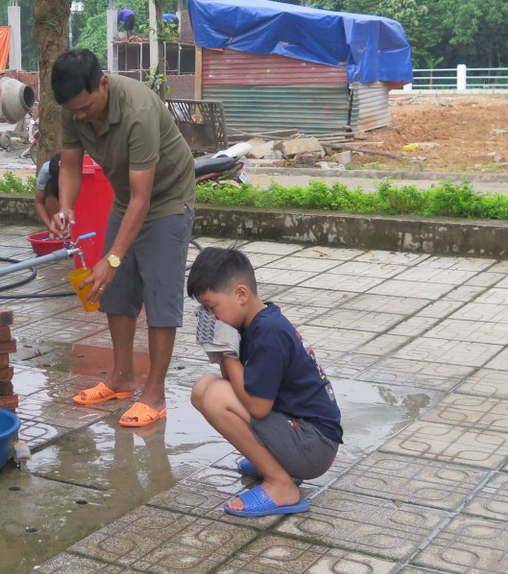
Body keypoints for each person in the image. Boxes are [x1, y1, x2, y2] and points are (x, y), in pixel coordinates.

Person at [50, 48, 195, 427]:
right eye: (74, 111)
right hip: (125, 200)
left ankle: (155, 392)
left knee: (160, 293)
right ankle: (121, 377)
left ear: (102, 82)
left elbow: (143, 198)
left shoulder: (138, 112)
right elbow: (69, 165)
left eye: (86, 108)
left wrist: (112, 257)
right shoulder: (73, 108)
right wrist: (66, 208)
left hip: (167, 197)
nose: (81, 116)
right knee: (115, 291)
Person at [185, 247, 343, 517]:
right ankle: (274, 465)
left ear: (241, 294)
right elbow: (237, 384)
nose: (211, 316)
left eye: (212, 307)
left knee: (214, 397)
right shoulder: (252, 324)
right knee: (203, 389)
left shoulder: (269, 332)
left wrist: (226, 352)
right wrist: (223, 351)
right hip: (298, 432)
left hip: (313, 445)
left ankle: (281, 484)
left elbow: (257, 407)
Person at [34, 153, 62, 237]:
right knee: (50, 187)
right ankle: (57, 228)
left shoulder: (81, 168)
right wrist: (50, 227)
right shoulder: (46, 170)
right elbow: (39, 203)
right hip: (55, 191)